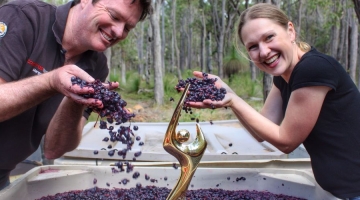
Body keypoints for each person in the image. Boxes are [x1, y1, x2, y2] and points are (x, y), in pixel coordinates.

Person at [186, 3, 360, 200]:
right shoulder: (284, 76)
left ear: (290, 31)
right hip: (336, 191)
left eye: (269, 37)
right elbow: (261, 132)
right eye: (253, 47)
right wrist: (227, 95)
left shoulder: (314, 68)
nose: (264, 51)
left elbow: (286, 142)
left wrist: (234, 101)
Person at [0, 0, 151, 190]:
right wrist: (51, 82)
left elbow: (55, 149)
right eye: (114, 16)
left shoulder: (96, 66)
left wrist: (76, 101)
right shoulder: (23, 18)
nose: (119, 32)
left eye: (128, 27)